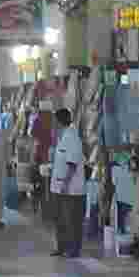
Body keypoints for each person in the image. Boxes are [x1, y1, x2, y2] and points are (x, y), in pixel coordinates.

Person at [49, 108, 87, 258]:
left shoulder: (72, 136)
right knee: (59, 219)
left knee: (72, 220)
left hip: (71, 189)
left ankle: (73, 250)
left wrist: (65, 183)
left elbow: (72, 163)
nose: (53, 123)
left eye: (54, 120)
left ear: (59, 121)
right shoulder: (63, 136)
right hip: (59, 187)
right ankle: (61, 247)